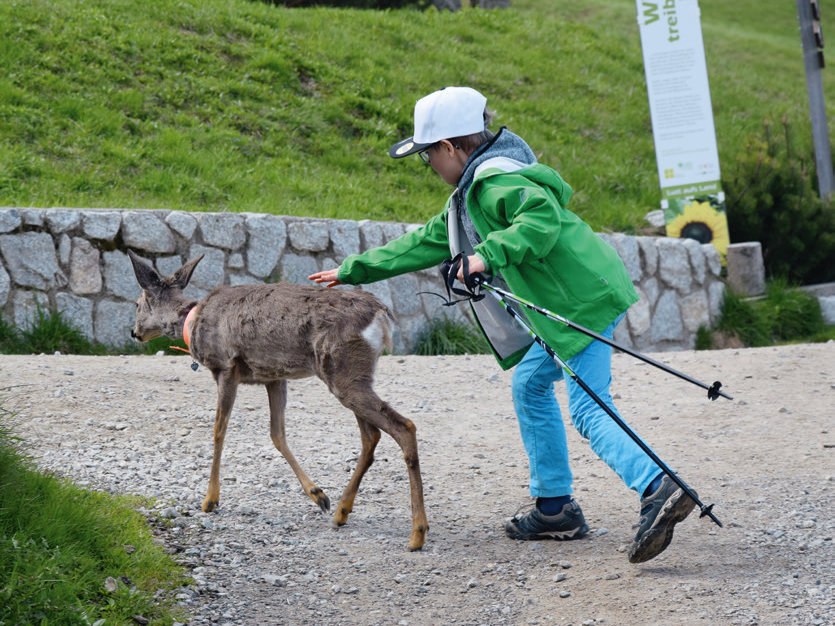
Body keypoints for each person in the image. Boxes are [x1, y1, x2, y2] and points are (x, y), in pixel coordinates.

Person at [309, 86, 696, 563]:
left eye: (427, 154)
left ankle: (658, 487)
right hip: (575, 299)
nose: (428, 165)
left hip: (578, 304)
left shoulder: (493, 184)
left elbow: (540, 219)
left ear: (450, 148)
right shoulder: (470, 197)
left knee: (589, 409)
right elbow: (423, 242)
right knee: (531, 385)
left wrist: (484, 257)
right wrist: (353, 269)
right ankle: (555, 509)